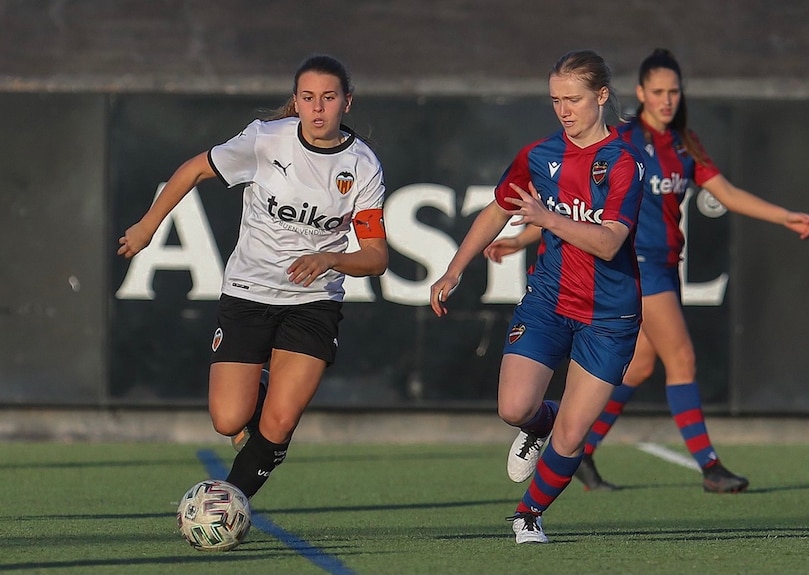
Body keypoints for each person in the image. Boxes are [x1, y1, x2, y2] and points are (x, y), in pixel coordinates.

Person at [484, 48, 809, 495]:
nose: (666, 100)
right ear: (639, 93)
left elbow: (728, 193)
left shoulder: (684, 143)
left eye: (674, 91)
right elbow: (577, 205)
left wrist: (784, 216)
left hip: (665, 266)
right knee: (681, 358)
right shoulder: (622, 139)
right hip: (629, 267)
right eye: (657, 91)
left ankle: (583, 449)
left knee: (639, 367)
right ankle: (710, 466)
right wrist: (524, 237)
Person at [118, 54, 388, 500]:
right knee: (228, 419)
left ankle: (226, 504)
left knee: (279, 424)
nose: (318, 108)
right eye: (308, 98)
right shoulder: (266, 140)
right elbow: (195, 169)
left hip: (313, 301)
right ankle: (264, 411)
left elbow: (376, 257)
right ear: (296, 103)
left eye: (328, 97)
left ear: (347, 103)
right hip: (248, 292)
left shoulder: (362, 165)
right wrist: (148, 226)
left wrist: (330, 258)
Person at [430, 50, 644, 543]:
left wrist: (547, 219)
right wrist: (454, 269)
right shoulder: (539, 155)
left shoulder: (623, 162)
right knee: (514, 408)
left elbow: (610, 241)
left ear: (602, 96)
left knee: (573, 435)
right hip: (549, 300)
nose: (564, 110)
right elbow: (496, 209)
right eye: (555, 100)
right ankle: (538, 424)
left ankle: (528, 515)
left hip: (609, 316)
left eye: (574, 99)